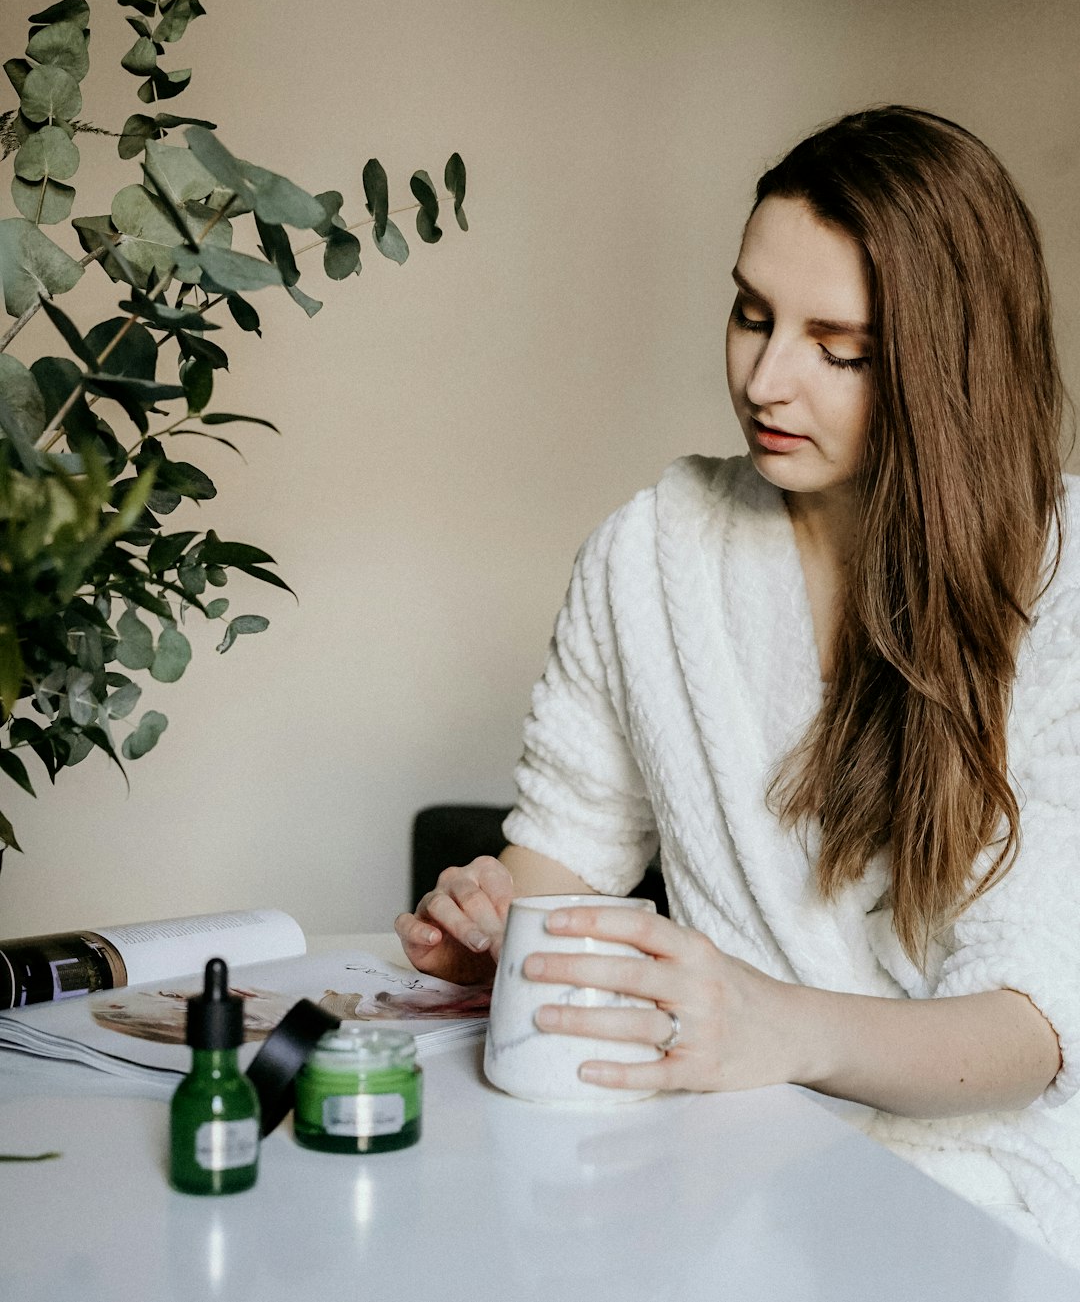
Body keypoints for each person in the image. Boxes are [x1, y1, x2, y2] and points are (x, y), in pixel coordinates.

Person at [395, 106, 1080, 1259]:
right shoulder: (653, 553)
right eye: (750, 315)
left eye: (839, 349)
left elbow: (1040, 1026)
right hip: (726, 1154)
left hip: (994, 1193)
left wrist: (777, 1027)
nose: (767, 379)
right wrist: (499, 925)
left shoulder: (1058, 582)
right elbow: (560, 859)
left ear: (945, 361)